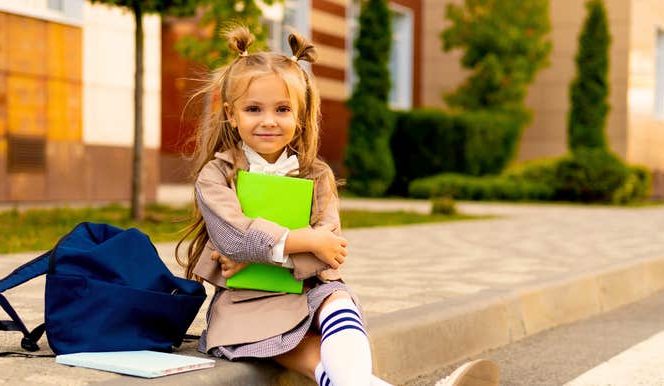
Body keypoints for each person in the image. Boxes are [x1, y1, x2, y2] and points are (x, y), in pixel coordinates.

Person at [175, 26, 500, 386]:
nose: (268, 120)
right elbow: (234, 238)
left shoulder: (316, 175)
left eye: (282, 109)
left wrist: (265, 251)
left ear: (299, 118)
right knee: (301, 353)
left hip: (311, 291)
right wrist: (305, 240)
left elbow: (328, 251)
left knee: (339, 301)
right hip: (245, 305)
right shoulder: (217, 175)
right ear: (231, 115)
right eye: (253, 109)